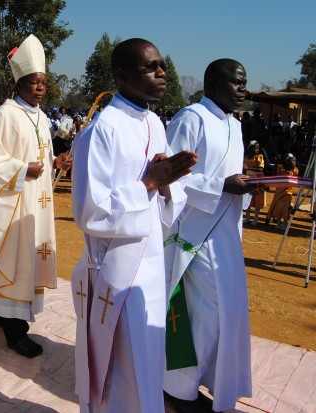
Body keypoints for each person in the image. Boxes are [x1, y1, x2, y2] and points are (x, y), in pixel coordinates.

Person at [70, 38, 196, 413]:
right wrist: (149, 184)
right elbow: (90, 212)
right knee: (120, 371)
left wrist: (168, 185)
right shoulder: (101, 131)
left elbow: (165, 198)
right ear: (122, 75)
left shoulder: (156, 123)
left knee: (148, 360)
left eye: (163, 66)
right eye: (151, 67)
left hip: (152, 262)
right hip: (117, 271)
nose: (162, 73)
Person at [163, 59, 254, 413]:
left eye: (245, 84)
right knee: (202, 317)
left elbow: (231, 176)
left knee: (226, 315)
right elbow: (170, 176)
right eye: (238, 83)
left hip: (226, 235)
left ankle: (212, 381)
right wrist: (221, 186)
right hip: (193, 236)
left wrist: (246, 187)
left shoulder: (234, 124)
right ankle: (177, 390)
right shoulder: (191, 118)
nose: (244, 90)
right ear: (214, 85)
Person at [0, 34, 71, 359]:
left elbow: (43, 157)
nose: (40, 88)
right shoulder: (5, 114)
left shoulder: (42, 117)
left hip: (37, 203)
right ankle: (17, 333)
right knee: (16, 261)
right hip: (12, 203)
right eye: (33, 82)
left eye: (43, 82)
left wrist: (56, 162)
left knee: (25, 259)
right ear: (19, 84)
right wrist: (20, 170)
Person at [266, 153, 298, 230]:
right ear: (287, 162)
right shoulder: (281, 169)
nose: (294, 163)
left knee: (285, 208)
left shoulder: (294, 170)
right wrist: (277, 162)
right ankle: (279, 223)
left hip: (288, 192)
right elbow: (275, 174)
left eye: (295, 161)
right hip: (279, 191)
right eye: (292, 161)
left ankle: (284, 223)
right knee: (278, 206)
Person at [243, 141, 266, 225]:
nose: (257, 149)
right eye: (255, 147)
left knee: (257, 199)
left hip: (258, 180)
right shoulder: (245, 158)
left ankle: (255, 218)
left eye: (258, 148)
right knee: (248, 198)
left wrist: (248, 169)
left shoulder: (259, 157)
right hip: (249, 180)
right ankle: (247, 217)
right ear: (250, 148)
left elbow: (260, 169)